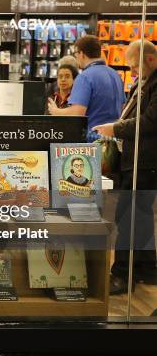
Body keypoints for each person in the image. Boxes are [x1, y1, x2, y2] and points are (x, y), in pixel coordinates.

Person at [93, 40, 157, 294]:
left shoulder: (154, 83)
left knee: (129, 216)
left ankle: (122, 273)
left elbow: (151, 121)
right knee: (137, 216)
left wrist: (116, 128)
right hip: (135, 161)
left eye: (134, 65)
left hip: (145, 162)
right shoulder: (145, 83)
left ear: (150, 59)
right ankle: (146, 267)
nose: (132, 71)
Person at [48, 35, 125, 141]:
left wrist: (56, 111)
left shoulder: (85, 77)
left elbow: (77, 112)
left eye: (76, 54)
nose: (76, 57)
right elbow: (122, 107)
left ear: (81, 53)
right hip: (114, 138)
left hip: (93, 141)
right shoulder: (115, 75)